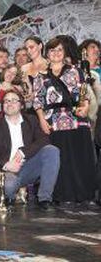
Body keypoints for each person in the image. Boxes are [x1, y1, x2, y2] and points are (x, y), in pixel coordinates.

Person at [34, 37, 97, 203]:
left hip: (76, 119)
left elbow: (84, 92)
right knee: (59, 160)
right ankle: (59, 195)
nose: (56, 53)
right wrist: (41, 120)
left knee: (78, 159)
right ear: (47, 54)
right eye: (52, 50)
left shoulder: (75, 71)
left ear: (64, 53)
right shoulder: (40, 77)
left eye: (59, 50)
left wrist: (85, 107)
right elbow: (38, 101)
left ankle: (83, 195)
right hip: (53, 122)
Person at [0, 89, 60, 210]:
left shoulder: (31, 120)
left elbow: (44, 140)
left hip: (28, 167)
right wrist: (6, 165)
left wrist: (23, 151)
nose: (10, 104)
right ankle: (4, 193)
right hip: (7, 171)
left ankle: (44, 199)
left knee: (51, 151)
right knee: (8, 189)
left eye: (14, 100)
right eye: (6, 101)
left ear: (21, 105)